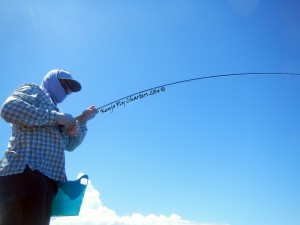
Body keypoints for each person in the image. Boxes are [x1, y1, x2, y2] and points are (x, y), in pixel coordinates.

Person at [0, 69, 99, 225]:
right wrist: (55, 118)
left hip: (48, 182)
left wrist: (82, 123)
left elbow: (70, 145)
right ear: (52, 80)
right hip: (23, 171)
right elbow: (9, 109)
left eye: (70, 91)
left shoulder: (59, 112)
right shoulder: (34, 90)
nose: (67, 91)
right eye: (66, 85)